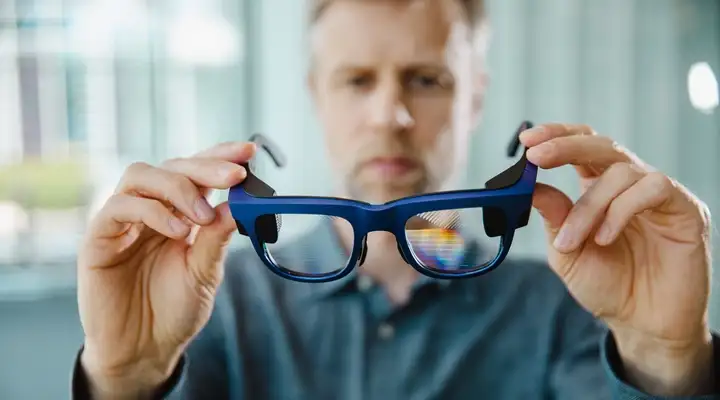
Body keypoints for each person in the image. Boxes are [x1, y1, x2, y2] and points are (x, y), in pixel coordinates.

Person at [71, 0, 719, 399]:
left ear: (476, 97)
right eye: (357, 80)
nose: (391, 115)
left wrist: (667, 359)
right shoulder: (215, 302)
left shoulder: (565, 307)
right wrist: (129, 378)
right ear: (316, 94)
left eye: (427, 79)